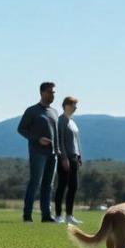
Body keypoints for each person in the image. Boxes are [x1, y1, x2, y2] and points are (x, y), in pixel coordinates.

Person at [16, 81, 61, 223]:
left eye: (54, 92)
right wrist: (37, 139)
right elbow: (21, 129)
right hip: (37, 152)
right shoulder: (32, 111)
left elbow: (56, 133)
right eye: (50, 92)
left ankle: (46, 215)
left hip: (53, 154)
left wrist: (59, 150)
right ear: (41, 93)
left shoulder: (54, 112)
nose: (52, 95)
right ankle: (27, 215)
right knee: (35, 182)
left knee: (48, 185)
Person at [53, 96, 83, 225]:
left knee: (73, 187)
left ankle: (69, 216)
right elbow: (60, 142)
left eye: (76, 105)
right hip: (65, 159)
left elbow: (76, 141)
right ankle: (58, 215)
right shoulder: (61, 121)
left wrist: (79, 155)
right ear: (66, 105)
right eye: (73, 105)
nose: (75, 107)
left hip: (74, 158)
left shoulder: (72, 122)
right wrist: (64, 158)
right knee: (62, 186)